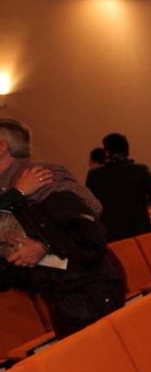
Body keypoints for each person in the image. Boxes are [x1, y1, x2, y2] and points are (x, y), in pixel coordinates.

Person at [0, 119, 124, 337]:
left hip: (86, 286)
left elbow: (90, 212)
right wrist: (17, 194)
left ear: (2, 146)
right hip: (59, 289)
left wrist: (45, 246)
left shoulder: (39, 175)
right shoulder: (15, 186)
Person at [86, 133, 151, 242]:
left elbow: (88, 206)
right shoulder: (140, 171)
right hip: (140, 233)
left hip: (110, 237)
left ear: (107, 152)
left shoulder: (95, 176)